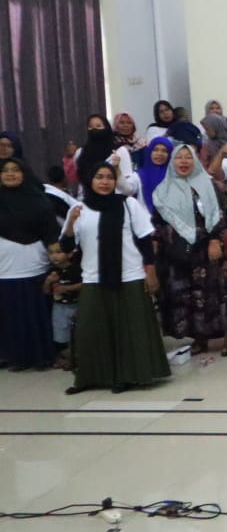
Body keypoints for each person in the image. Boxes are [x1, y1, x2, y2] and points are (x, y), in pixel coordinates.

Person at [61, 163, 170, 394]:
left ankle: (128, 376)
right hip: (93, 276)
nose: (104, 182)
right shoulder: (79, 208)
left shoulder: (128, 204)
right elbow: (67, 246)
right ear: (90, 180)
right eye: (99, 177)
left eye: (109, 177)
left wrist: (150, 273)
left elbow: (145, 241)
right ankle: (91, 377)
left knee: (129, 328)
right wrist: (70, 223)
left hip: (129, 274)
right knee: (91, 327)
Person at [152, 144, 227, 356]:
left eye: (187, 157)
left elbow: (220, 214)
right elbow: (157, 222)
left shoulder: (208, 186)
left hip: (208, 248)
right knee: (185, 294)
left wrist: (215, 240)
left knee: (217, 291)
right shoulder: (163, 190)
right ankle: (199, 337)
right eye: (178, 158)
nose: (183, 162)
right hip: (177, 252)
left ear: (196, 161)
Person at [0, 157, 59, 371]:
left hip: (34, 262)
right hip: (4, 268)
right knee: (10, 312)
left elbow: (51, 232)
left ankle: (41, 355)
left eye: (15, 170)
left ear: (24, 173)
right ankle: (13, 356)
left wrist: (57, 260)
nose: (10, 174)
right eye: (5, 170)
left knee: (36, 311)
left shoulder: (39, 200)